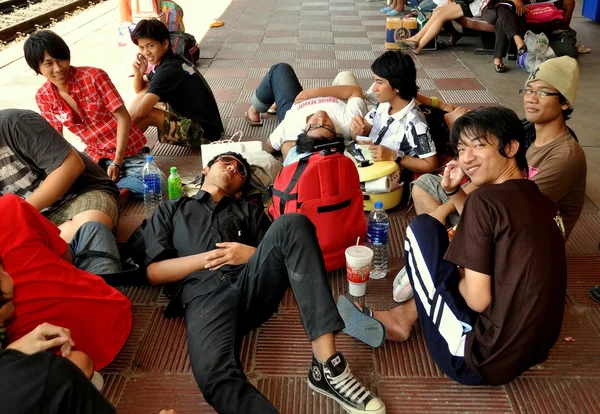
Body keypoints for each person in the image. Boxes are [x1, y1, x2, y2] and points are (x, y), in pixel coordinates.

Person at [140, 151, 385, 414]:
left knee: (293, 223)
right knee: (216, 378)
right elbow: (154, 272)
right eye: (226, 161)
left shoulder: (249, 211)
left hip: (251, 286)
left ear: (238, 192)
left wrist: (249, 254)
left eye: (241, 170)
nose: (233, 167)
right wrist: (210, 258)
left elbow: (287, 254)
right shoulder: (172, 209)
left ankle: (326, 365)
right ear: (205, 170)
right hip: (204, 297)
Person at [341, 106, 568, 385]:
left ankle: (404, 319)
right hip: (528, 353)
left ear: (510, 147)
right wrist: (452, 192)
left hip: (475, 359)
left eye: (478, 146)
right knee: (460, 254)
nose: (466, 159)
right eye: (461, 149)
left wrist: (455, 270)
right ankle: (413, 309)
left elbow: (477, 300)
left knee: (421, 230)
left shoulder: (486, 202)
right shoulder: (542, 202)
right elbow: (486, 229)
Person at [412, 56, 586, 239]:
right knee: (425, 185)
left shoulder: (565, 156)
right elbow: (487, 176)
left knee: (449, 228)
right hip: (496, 205)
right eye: (528, 90)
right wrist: (443, 210)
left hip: (522, 232)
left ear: (565, 102)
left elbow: (518, 211)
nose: (531, 99)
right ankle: (447, 245)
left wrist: (457, 206)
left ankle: (451, 250)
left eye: (543, 93)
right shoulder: (525, 131)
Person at [0, 194, 132, 377]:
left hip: (56, 358)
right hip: (110, 314)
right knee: (93, 229)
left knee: (89, 230)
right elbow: (67, 259)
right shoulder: (10, 204)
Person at [24, 30, 151, 199]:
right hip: (94, 156)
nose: (58, 68)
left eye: (61, 59)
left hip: (127, 151)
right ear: (37, 68)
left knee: (156, 184)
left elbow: (123, 117)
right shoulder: (43, 96)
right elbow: (55, 140)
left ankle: (107, 186)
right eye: (48, 63)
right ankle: (114, 187)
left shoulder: (94, 77)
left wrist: (117, 162)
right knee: (58, 185)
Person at [0, 109, 119, 241]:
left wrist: (19, 213)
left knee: (89, 230)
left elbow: (71, 166)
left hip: (79, 194)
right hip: (33, 216)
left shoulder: (16, 123)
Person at [245, 63, 367, 164]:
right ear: (336, 132)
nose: (321, 118)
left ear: (304, 130)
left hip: (296, 104)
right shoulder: (347, 123)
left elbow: (269, 146)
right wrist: (313, 93)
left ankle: (256, 108)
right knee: (345, 75)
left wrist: (291, 143)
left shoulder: (291, 128)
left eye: (314, 125)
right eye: (327, 126)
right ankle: (278, 100)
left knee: (280, 69)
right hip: (327, 95)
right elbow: (355, 91)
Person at [128, 19, 223, 147]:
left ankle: (118, 148)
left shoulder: (168, 70)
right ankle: (120, 143)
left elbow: (140, 113)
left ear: (165, 44)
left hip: (204, 134)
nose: (146, 53)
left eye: (150, 46)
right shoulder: (169, 60)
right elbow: (139, 88)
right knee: (146, 91)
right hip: (209, 125)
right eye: (141, 47)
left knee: (147, 114)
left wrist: (121, 123)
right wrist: (139, 73)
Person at [349, 51, 438, 173]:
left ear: (397, 86)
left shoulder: (415, 123)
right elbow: (363, 132)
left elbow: (431, 165)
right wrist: (358, 130)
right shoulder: (384, 104)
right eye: (374, 81)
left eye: (379, 82)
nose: (373, 87)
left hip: (378, 174)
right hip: (358, 158)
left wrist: (395, 156)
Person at [398, 0, 489, 55]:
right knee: (438, 11)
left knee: (441, 16)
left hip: (478, 4)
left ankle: (418, 46)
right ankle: (416, 38)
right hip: (467, 2)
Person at [482, 0, 527, 73]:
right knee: (503, 8)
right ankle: (517, 38)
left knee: (503, 19)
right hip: (491, 10)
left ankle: (498, 58)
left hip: (512, 12)